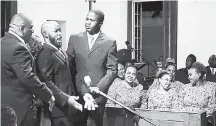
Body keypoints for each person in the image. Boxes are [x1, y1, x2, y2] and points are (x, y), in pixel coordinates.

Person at [1, 13, 55, 126]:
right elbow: (27, 77)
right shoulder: (18, 48)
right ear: (21, 28)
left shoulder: (3, 42)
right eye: (31, 27)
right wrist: (48, 94)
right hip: (20, 107)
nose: (33, 31)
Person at [67, 9, 118, 126]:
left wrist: (98, 88)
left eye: (92, 20)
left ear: (100, 23)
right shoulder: (74, 38)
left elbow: (112, 70)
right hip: (78, 94)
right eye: (86, 19)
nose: (87, 23)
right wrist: (82, 90)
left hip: (98, 97)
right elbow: (70, 67)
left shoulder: (109, 42)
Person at [36, 21, 83, 126]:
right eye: (56, 31)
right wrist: (66, 99)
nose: (60, 34)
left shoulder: (61, 52)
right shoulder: (45, 54)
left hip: (70, 110)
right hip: (59, 111)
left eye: (60, 31)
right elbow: (46, 82)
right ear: (45, 34)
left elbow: (72, 76)